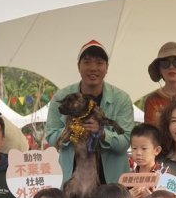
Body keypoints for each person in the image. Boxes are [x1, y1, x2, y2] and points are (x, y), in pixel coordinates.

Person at [45, 40, 135, 185]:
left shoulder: (121, 99)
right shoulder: (62, 97)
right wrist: (71, 129)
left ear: (107, 68)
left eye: (99, 63)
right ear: (78, 66)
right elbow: (51, 137)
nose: (93, 68)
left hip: (111, 184)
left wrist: (102, 133)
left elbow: (125, 141)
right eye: (87, 62)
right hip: (73, 183)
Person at [127, 123, 163, 198]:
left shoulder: (164, 176)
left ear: (156, 150)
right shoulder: (128, 178)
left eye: (144, 148)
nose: (138, 153)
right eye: (134, 148)